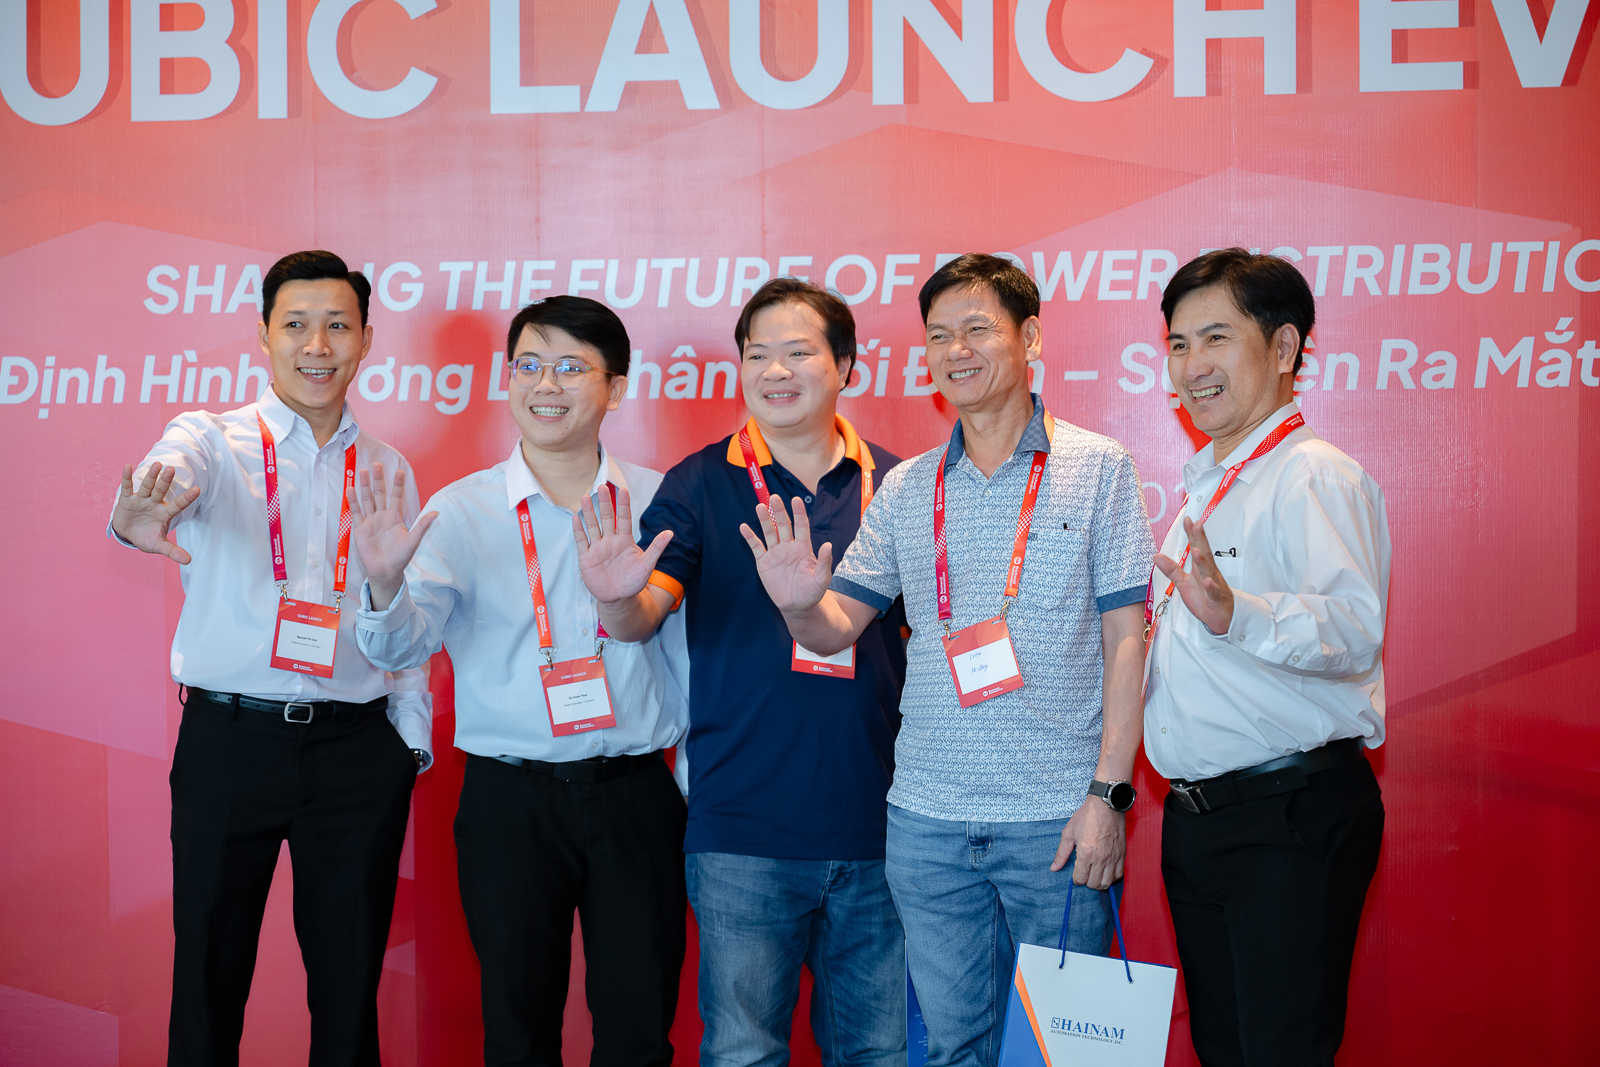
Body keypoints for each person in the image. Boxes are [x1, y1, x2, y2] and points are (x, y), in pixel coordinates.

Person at [732, 255, 1154, 1067]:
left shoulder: (1099, 467)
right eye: (937, 336)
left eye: (976, 329)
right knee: (953, 1048)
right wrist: (796, 603)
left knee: (1069, 1055)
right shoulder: (908, 486)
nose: (955, 350)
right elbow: (834, 629)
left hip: (1057, 822)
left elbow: (1126, 639)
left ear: (1031, 337)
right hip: (926, 827)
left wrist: (1108, 795)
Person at [107, 250, 431, 1067]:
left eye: (337, 325)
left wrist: (406, 743)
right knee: (208, 975)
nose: (317, 345)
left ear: (365, 340)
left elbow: (407, 633)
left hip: (357, 751)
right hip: (231, 743)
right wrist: (138, 515)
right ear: (263, 334)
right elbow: (167, 474)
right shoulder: (211, 440)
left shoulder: (388, 469)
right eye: (296, 324)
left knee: (349, 989)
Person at [573, 278, 908, 1067]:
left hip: (884, 827)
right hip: (742, 832)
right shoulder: (700, 482)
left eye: (798, 352)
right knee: (742, 1052)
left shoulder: (899, 485)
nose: (775, 371)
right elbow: (642, 614)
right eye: (758, 355)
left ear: (846, 366)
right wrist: (615, 599)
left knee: (880, 1051)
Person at [352, 295, 689, 1067]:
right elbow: (401, 644)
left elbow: (693, 658)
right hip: (511, 801)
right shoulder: (460, 511)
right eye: (529, 365)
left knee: (640, 1030)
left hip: (636, 795)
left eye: (571, 367)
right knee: (516, 1028)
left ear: (616, 386)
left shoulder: (663, 500)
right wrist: (384, 586)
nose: (546, 384)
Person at [1145, 248, 1389, 1066]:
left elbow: (1353, 629)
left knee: (1281, 1050)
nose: (1193, 366)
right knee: (1226, 1048)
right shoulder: (1207, 486)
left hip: (1287, 816)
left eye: (1216, 337)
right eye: (1179, 344)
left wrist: (1237, 613)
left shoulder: (1314, 475)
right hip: (1201, 820)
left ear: (1284, 348)